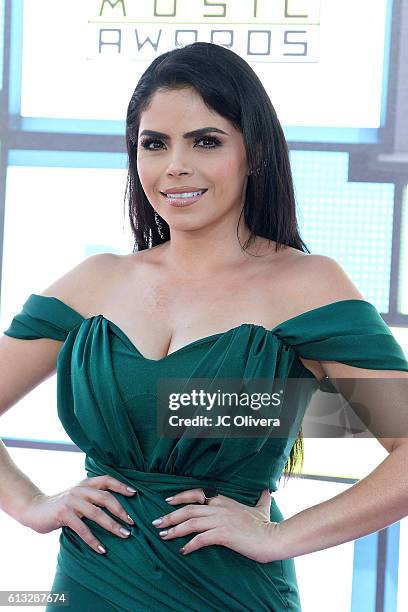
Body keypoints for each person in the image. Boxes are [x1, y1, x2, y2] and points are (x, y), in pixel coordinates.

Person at [1, 41, 408, 612]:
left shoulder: (305, 284)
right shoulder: (93, 281)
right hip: (89, 589)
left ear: (254, 151)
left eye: (206, 141)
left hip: (228, 593)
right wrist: (30, 504)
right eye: (154, 144)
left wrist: (280, 537)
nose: (175, 167)